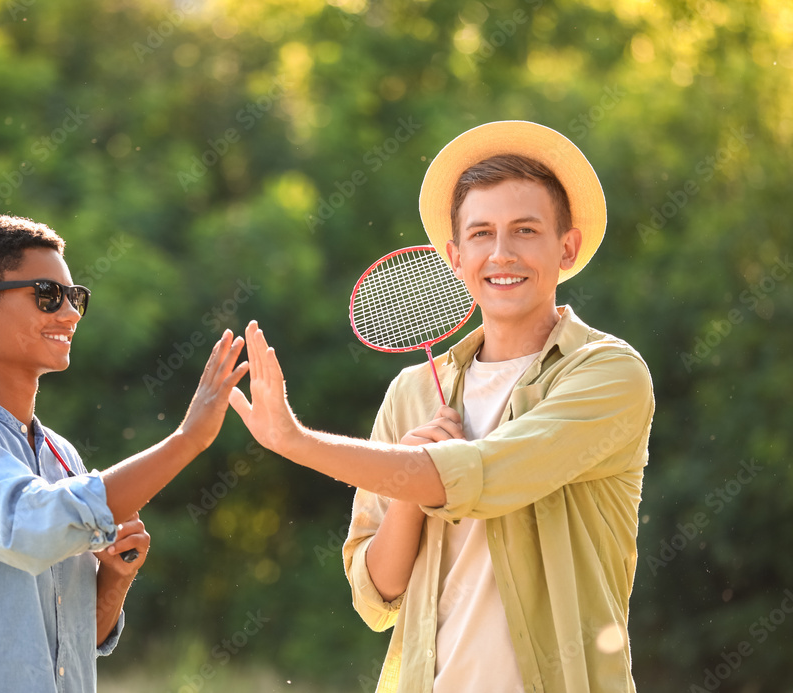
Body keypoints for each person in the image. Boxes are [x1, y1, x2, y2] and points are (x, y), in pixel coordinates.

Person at [229, 121, 655, 692]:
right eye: (481, 234)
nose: (501, 254)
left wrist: (297, 442)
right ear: (455, 256)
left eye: (525, 230)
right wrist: (408, 495)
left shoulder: (608, 373)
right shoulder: (412, 393)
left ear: (567, 247)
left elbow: (484, 475)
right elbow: (375, 595)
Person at [0, 215, 248, 693]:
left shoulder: (63, 458)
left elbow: (73, 645)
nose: (71, 313)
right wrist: (187, 440)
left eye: (75, 297)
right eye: (47, 295)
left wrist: (114, 579)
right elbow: (30, 528)